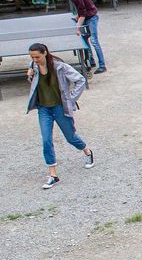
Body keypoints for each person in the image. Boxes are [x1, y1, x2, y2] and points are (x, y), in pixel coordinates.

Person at [26, 42, 94, 189]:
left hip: (60, 108)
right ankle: (53, 175)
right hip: (43, 108)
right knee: (46, 140)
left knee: (70, 137)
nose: (34, 60)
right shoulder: (33, 66)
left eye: (37, 57)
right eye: (32, 57)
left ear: (45, 53)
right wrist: (30, 77)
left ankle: (87, 151)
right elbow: (35, 85)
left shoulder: (60, 67)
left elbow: (80, 80)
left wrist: (71, 99)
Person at [57, 0, 106, 73]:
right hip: (86, 16)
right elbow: (81, 10)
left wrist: (78, 28)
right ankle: (90, 61)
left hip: (91, 18)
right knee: (85, 39)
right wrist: (76, 17)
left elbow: (82, 14)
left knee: (94, 41)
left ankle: (102, 66)